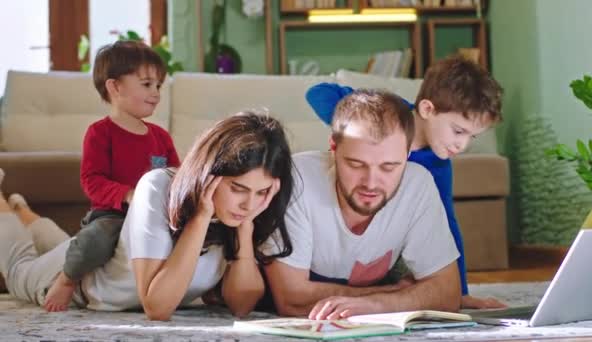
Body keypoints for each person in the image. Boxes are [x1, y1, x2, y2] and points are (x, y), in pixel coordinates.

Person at [0, 111, 295, 320]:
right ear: (209, 174)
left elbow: (241, 306)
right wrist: (201, 217)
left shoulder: (245, 212)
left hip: (79, 251)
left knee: (62, 242)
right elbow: (157, 307)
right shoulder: (158, 186)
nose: (248, 203)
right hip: (71, 283)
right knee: (18, 266)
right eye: (238, 188)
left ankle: (23, 210)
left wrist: (245, 231)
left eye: (261, 192)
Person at [304, 55, 506, 309]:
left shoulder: (438, 165)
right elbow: (317, 92)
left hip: (387, 247)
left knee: (419, 285)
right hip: (340, 222)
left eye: (471, 137)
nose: (462, 145)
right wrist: (359, 131)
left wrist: (460, 292)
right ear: (427, 109)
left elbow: (446, 225)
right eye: (458, 131)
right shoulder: (387, 111)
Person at [264, 89, 462, 320]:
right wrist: (398, 294)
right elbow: (291, 300)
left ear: (407, 154)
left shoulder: (418, 183)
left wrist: (376, 305)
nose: (371, 183)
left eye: (389, 167)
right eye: (356, 164)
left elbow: (448, 294)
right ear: (334, 148)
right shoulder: (296, 179)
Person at [44, 40, 181, 312]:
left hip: (156, 215)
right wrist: (128, 195)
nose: (155, 92)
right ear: (115, 87)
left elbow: (174, 176)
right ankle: (67, 279)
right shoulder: (100, 133)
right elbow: (92, 181)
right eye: (146, 84)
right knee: (95, 239)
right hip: (113, 215)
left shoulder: (161, 137)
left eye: (158, 86)